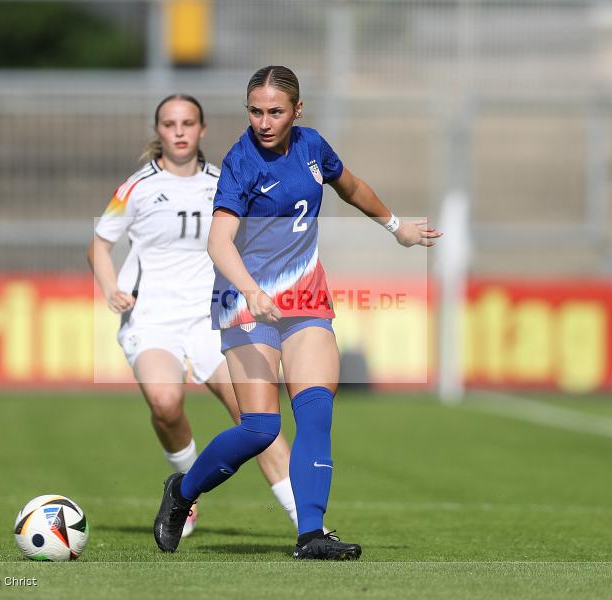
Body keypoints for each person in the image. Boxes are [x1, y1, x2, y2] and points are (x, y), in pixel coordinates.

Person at [154, 66, 442, 559]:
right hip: (245, 302)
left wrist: (396, 226)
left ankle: (311, 534)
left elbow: (349, 184)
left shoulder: (312, 147)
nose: (264, 122)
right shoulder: (242, 162)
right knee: (261, 430)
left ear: (297, 111)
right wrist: (250, 290)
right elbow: (218, 241)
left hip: (305, 297)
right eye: (255, 111)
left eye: (275, 112)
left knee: (315, 413)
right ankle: (181, 493)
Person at [88, 94, 308, 537]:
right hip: (152, 318)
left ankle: (308, 525)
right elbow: (99, 243)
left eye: (188, 123)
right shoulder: (136, 188)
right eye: (170, 124)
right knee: (167, 403)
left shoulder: (222, 182)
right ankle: (184, 496)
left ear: (202, 129)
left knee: (257, 419)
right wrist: (112, 288)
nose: (180, 131)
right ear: (159, 131)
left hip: (214, 317)